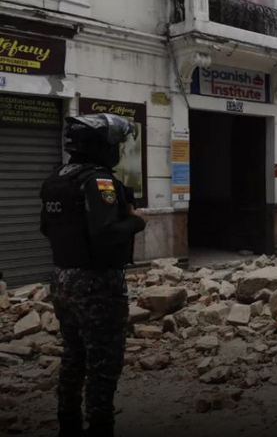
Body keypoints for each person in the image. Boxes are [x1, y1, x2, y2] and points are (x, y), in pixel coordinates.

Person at [39, 114, 147, 437]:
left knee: (74, 354)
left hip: (62, 280)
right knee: (103, 363)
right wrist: (137, 222)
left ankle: (68, 424)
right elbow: (107, 233)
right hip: (96, 285)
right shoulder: (99, 181)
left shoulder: (57, 178)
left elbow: (46, 228)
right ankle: (100, 427)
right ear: (101, 145)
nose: (117, 150)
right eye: (115, 143)